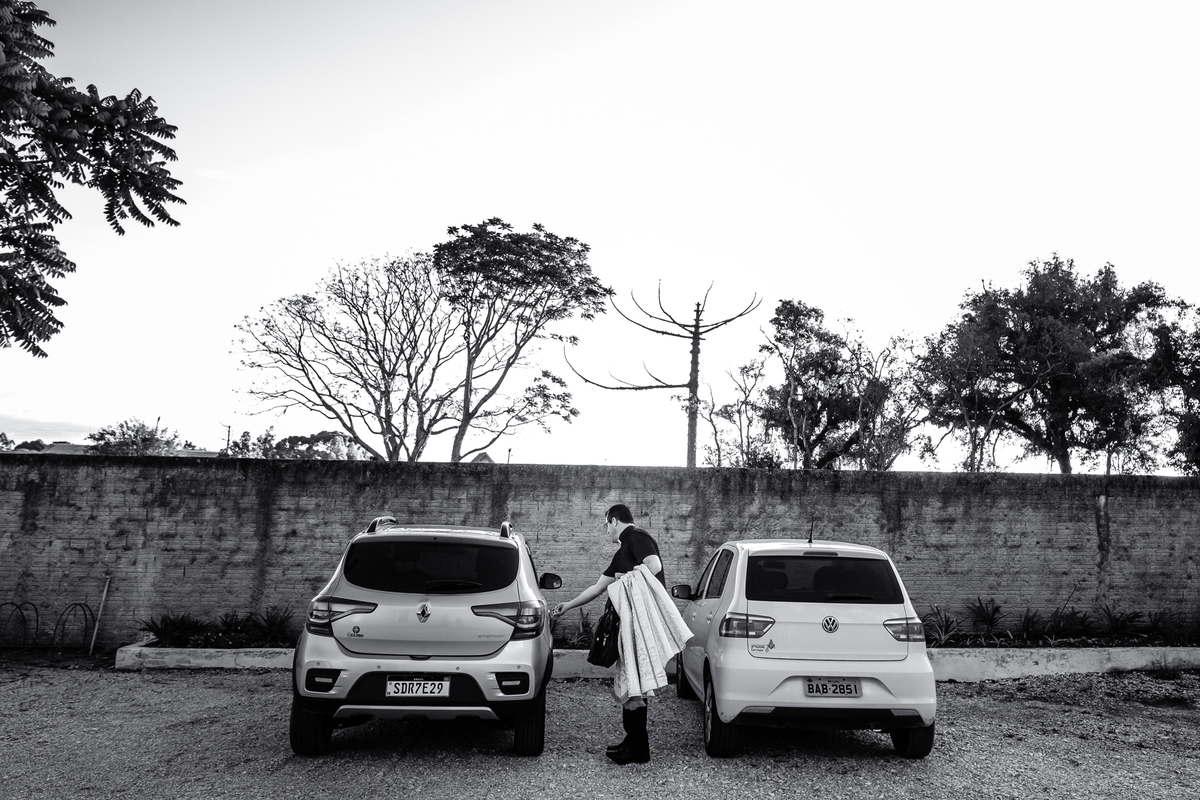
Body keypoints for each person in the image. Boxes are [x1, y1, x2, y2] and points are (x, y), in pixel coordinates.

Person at [552, 503, 669, 765]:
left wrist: (625, 581)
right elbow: (597, 587)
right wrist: (568, 605)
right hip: (632, 626)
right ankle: (633, 741)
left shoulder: (636, 537)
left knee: (634, 683)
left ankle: (639, 749)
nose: (606, 531)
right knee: (631, 683)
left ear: (614, 521)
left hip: (642, 625)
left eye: (606, 525)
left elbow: (654, 565)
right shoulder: (622, 551)